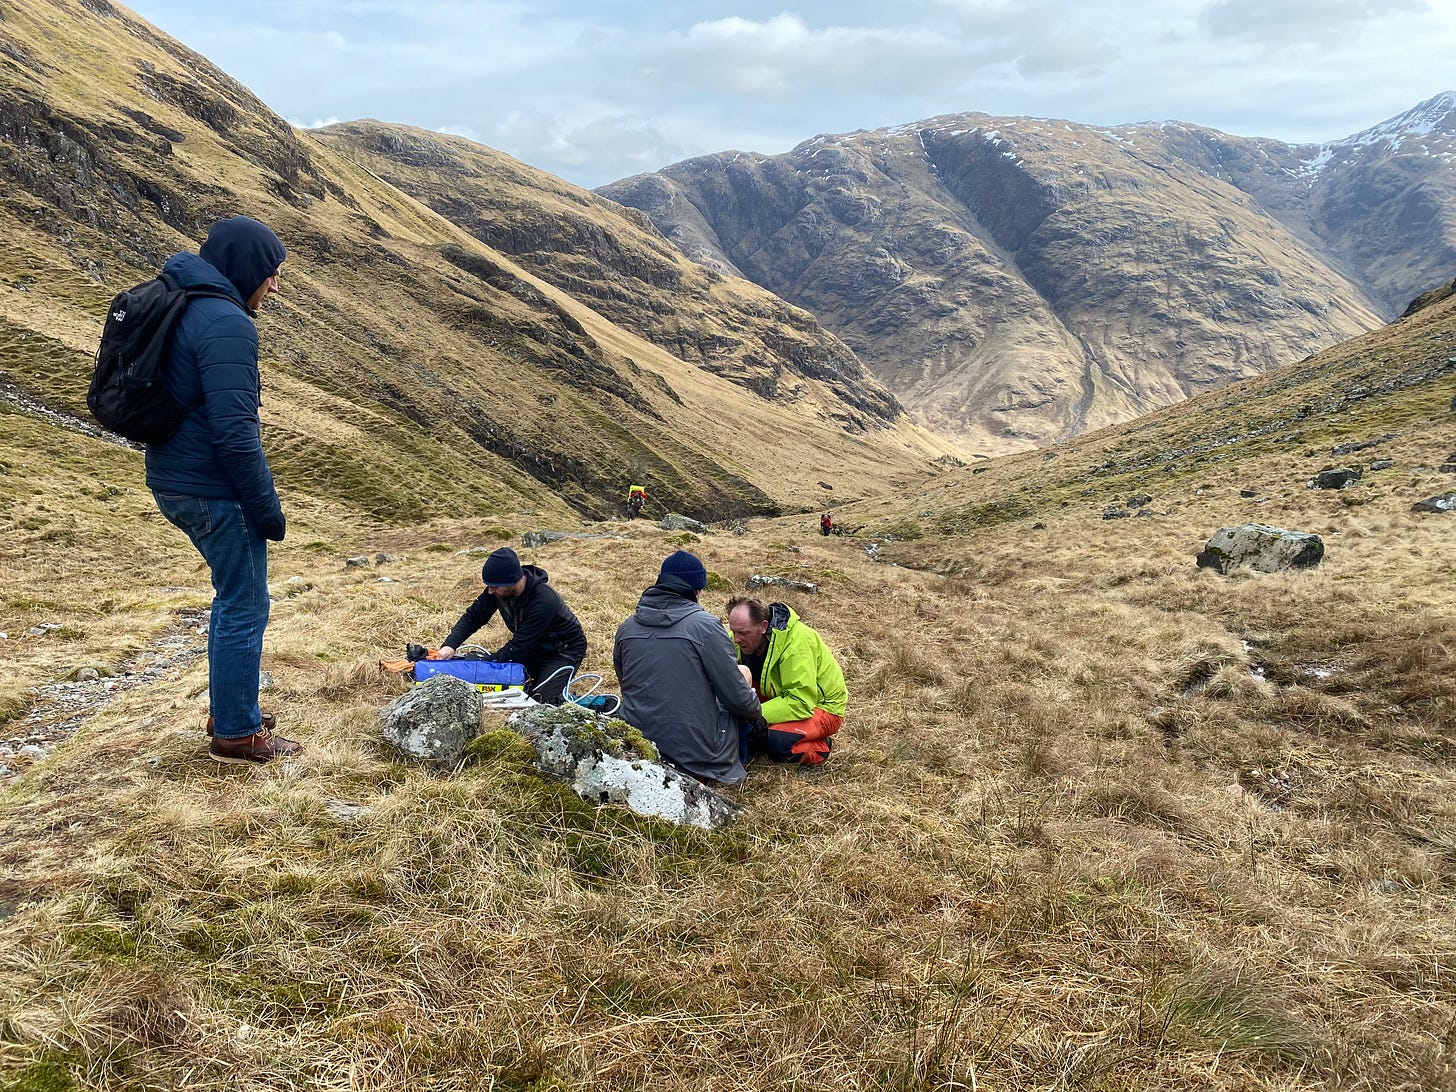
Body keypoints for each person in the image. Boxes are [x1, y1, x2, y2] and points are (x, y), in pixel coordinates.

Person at [147, 215, 295, 765]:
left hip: (174, 478)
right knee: (245, 604)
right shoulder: (228, 322)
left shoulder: (182, 300)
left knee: (232, 598)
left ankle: (231, 709)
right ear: (246, 269)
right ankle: (236, 733)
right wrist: (267, 509)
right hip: (214, 489)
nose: (275, 286)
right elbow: (236, 434)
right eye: (271, 273)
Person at [613, 551, 762, 785]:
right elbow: (736, 698)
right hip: (700, 759)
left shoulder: (626, 629)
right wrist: (757, 712)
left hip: (640, 746)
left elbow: (626, 684)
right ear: (696, 590)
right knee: (742, 675)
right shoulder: (706, 627)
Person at [437, 547, 587, 705]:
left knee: (541, 702)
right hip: (533, 649)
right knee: (514, 690)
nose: (490, 591)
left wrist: (487, 662)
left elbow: (519, 646)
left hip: (563, 652)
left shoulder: (544, 600)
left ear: (512, 581)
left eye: (494, 586)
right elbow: (474, 616)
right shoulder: (497, 590)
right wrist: (450, 645)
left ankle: (589, 704)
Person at [727, 596, 847, 767]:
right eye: (734, 631)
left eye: (743, 633)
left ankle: (819, 748)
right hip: (777, 694)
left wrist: (753, 714)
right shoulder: (739, 636)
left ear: (763, 627)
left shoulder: (797, 644)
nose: (736, 639)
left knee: (776, 742)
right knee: (748, 733)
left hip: (821, 707)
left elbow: (801, 702)